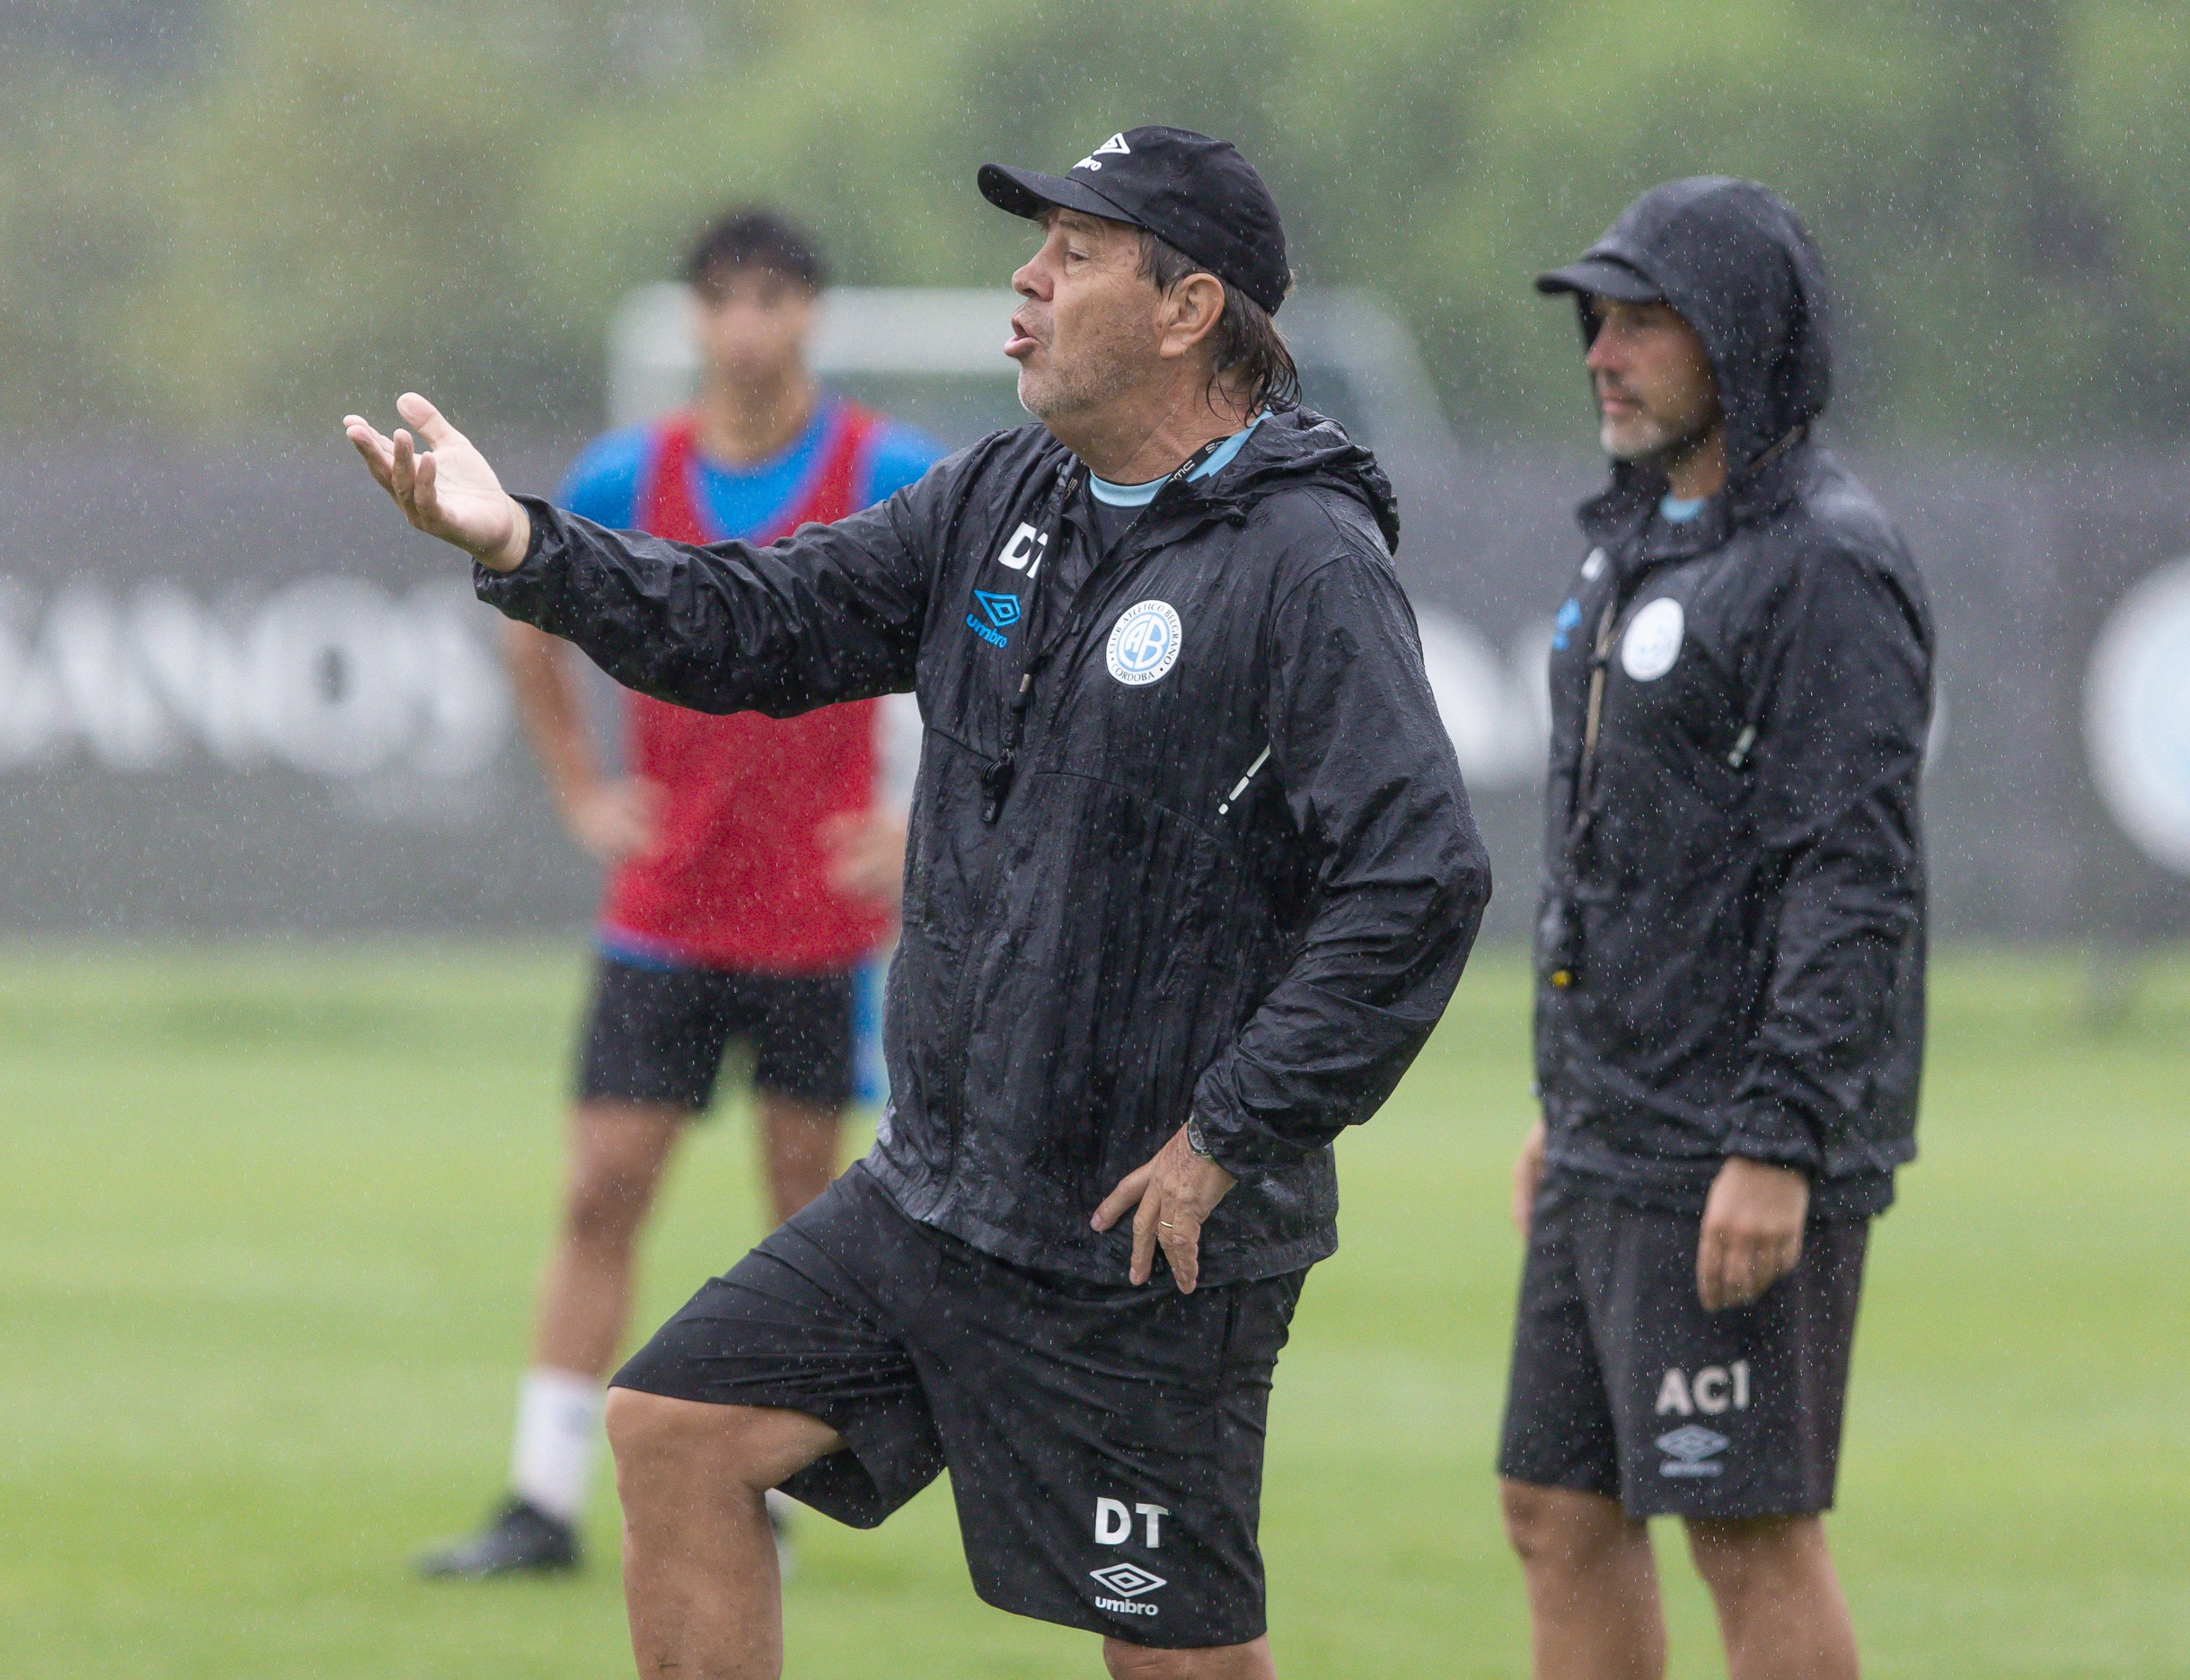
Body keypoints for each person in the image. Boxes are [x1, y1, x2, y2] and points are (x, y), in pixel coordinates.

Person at [347, 125, 1491, 1680]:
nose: (1023, 282)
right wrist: (526, 547)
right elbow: (759, 620)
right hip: (945, 1194)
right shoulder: (1004, 495)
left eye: (1073, 253)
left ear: (1187, 309)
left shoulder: (1302, 560)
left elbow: (1417, 879)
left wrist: (1231, 1133)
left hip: (1140, 1239)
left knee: (1172, 1657)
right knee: (675, 1431)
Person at [417, 207, 945, 1578]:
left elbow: (979, 646)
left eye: (775, 298)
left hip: (819, 921)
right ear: (696, 320)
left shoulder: (886, 469)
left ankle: (756, 1485)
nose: (750, 325)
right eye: (727, 300)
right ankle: (541, 1498)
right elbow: (524, 608)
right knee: (602, 1190)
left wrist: (917, 818)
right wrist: (580, 789)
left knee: (801, 1209)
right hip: (667, 910)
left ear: (810, 317)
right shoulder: (621, 473)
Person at [1499, 178, 1933, 1680]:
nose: (1599, 355)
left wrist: (1777, 1141)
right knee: (1554, 1507)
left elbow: (1848, 877)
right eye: (1592, 324)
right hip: (1611, 1124)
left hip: (1732, 1136)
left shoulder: (1824, 562)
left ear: (1741, 339)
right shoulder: (1633, 537)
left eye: (1640, 325)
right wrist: (1567, 1105)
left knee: (1746, 1532)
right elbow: (1621, 856)